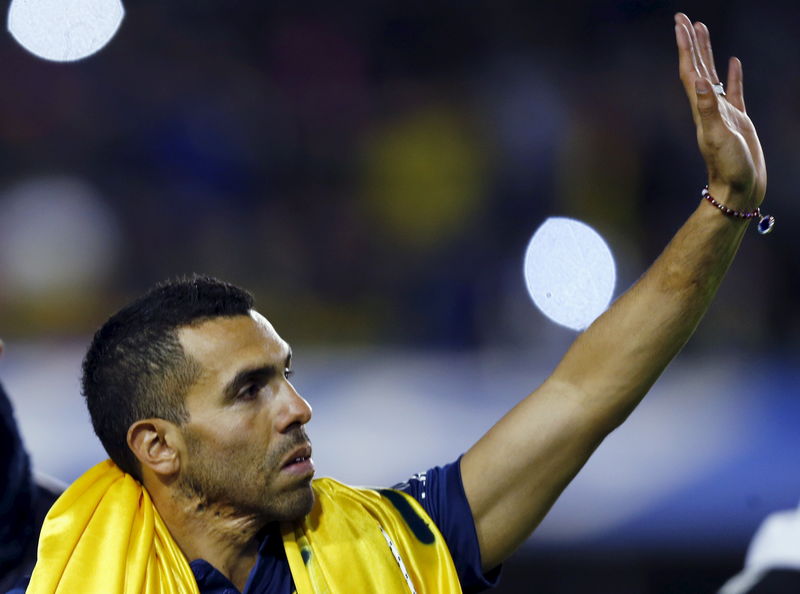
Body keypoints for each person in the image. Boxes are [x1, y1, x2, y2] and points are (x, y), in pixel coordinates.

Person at [14, 12, 770, 594]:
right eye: (250, 390)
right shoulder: (49, 555)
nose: (297, 408)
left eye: (284, 374)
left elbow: (582, 393)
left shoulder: (395, 548)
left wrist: (724, 207)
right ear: (158, 447)